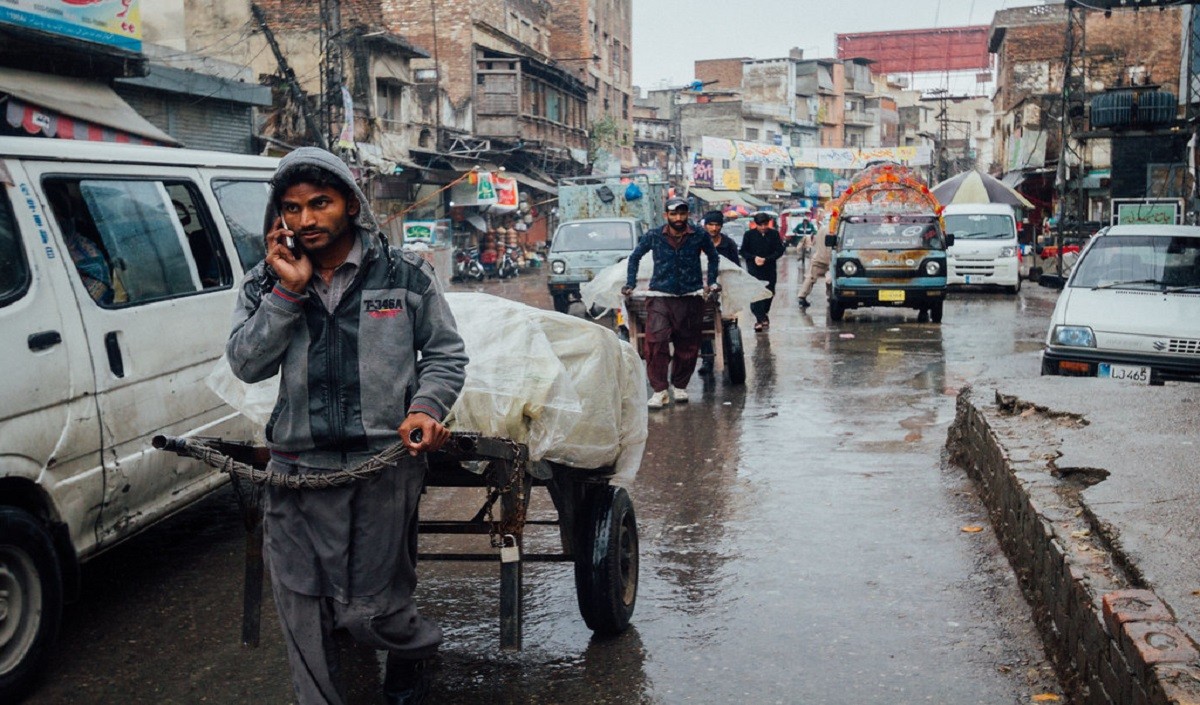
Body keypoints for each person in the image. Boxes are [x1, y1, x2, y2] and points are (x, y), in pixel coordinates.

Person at [226, 147, 469, 705]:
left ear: (351, 205)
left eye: (319, 203)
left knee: (369, 612)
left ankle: (411, 650)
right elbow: (247, 363)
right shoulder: (265, 284)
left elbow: (445, 355)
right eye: (291, 208)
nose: (305, 220)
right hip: (294, 472)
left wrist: (427, 408)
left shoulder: (405, 275)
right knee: (304, 614)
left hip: (382, 470)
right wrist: (288, 291)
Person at [622, 198, 720, 409]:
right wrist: (630, 282)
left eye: (682, 214)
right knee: (656, 341)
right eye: (673, 214)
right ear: (666, 215)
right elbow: (635, 257)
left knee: (688, 344)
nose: (678, 218)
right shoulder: (655, 236)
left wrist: (712, 281)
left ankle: (680, 386)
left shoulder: (698, 235)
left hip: (690, 296)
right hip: (660, 296)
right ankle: (659, 390)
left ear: (688, 215)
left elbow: (713, 257)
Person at [698, 211, 739, 376]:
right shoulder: (698, 242)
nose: (714, 228)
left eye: (717, 225)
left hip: (724, 289)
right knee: (705, 322)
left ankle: (730, 355)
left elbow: (736, 267)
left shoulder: (728, 244)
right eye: (711, 225)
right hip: (702, 289)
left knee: (726, 323)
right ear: (705, 225)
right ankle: (707, 359)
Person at [739, 211, 786, 331]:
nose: (763, 227)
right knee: (755, 295)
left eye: (765, 224)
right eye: (761, 225)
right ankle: (760, 319)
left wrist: (767, 259)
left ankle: (764, 315)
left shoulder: (774, 234)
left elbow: (779, 251)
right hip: (754, 271)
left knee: (768, 294)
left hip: (769, 270)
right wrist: (754, 258)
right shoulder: (749, 235)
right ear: (756, 224)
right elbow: (743, 251)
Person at [798, 211, 832, 309]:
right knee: (831, 279)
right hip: (830, 259)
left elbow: (814, 243)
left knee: (810, 278)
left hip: (818, 257)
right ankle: (830, 295)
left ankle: (802, 296)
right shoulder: (833, 229)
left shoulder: (821, 229)